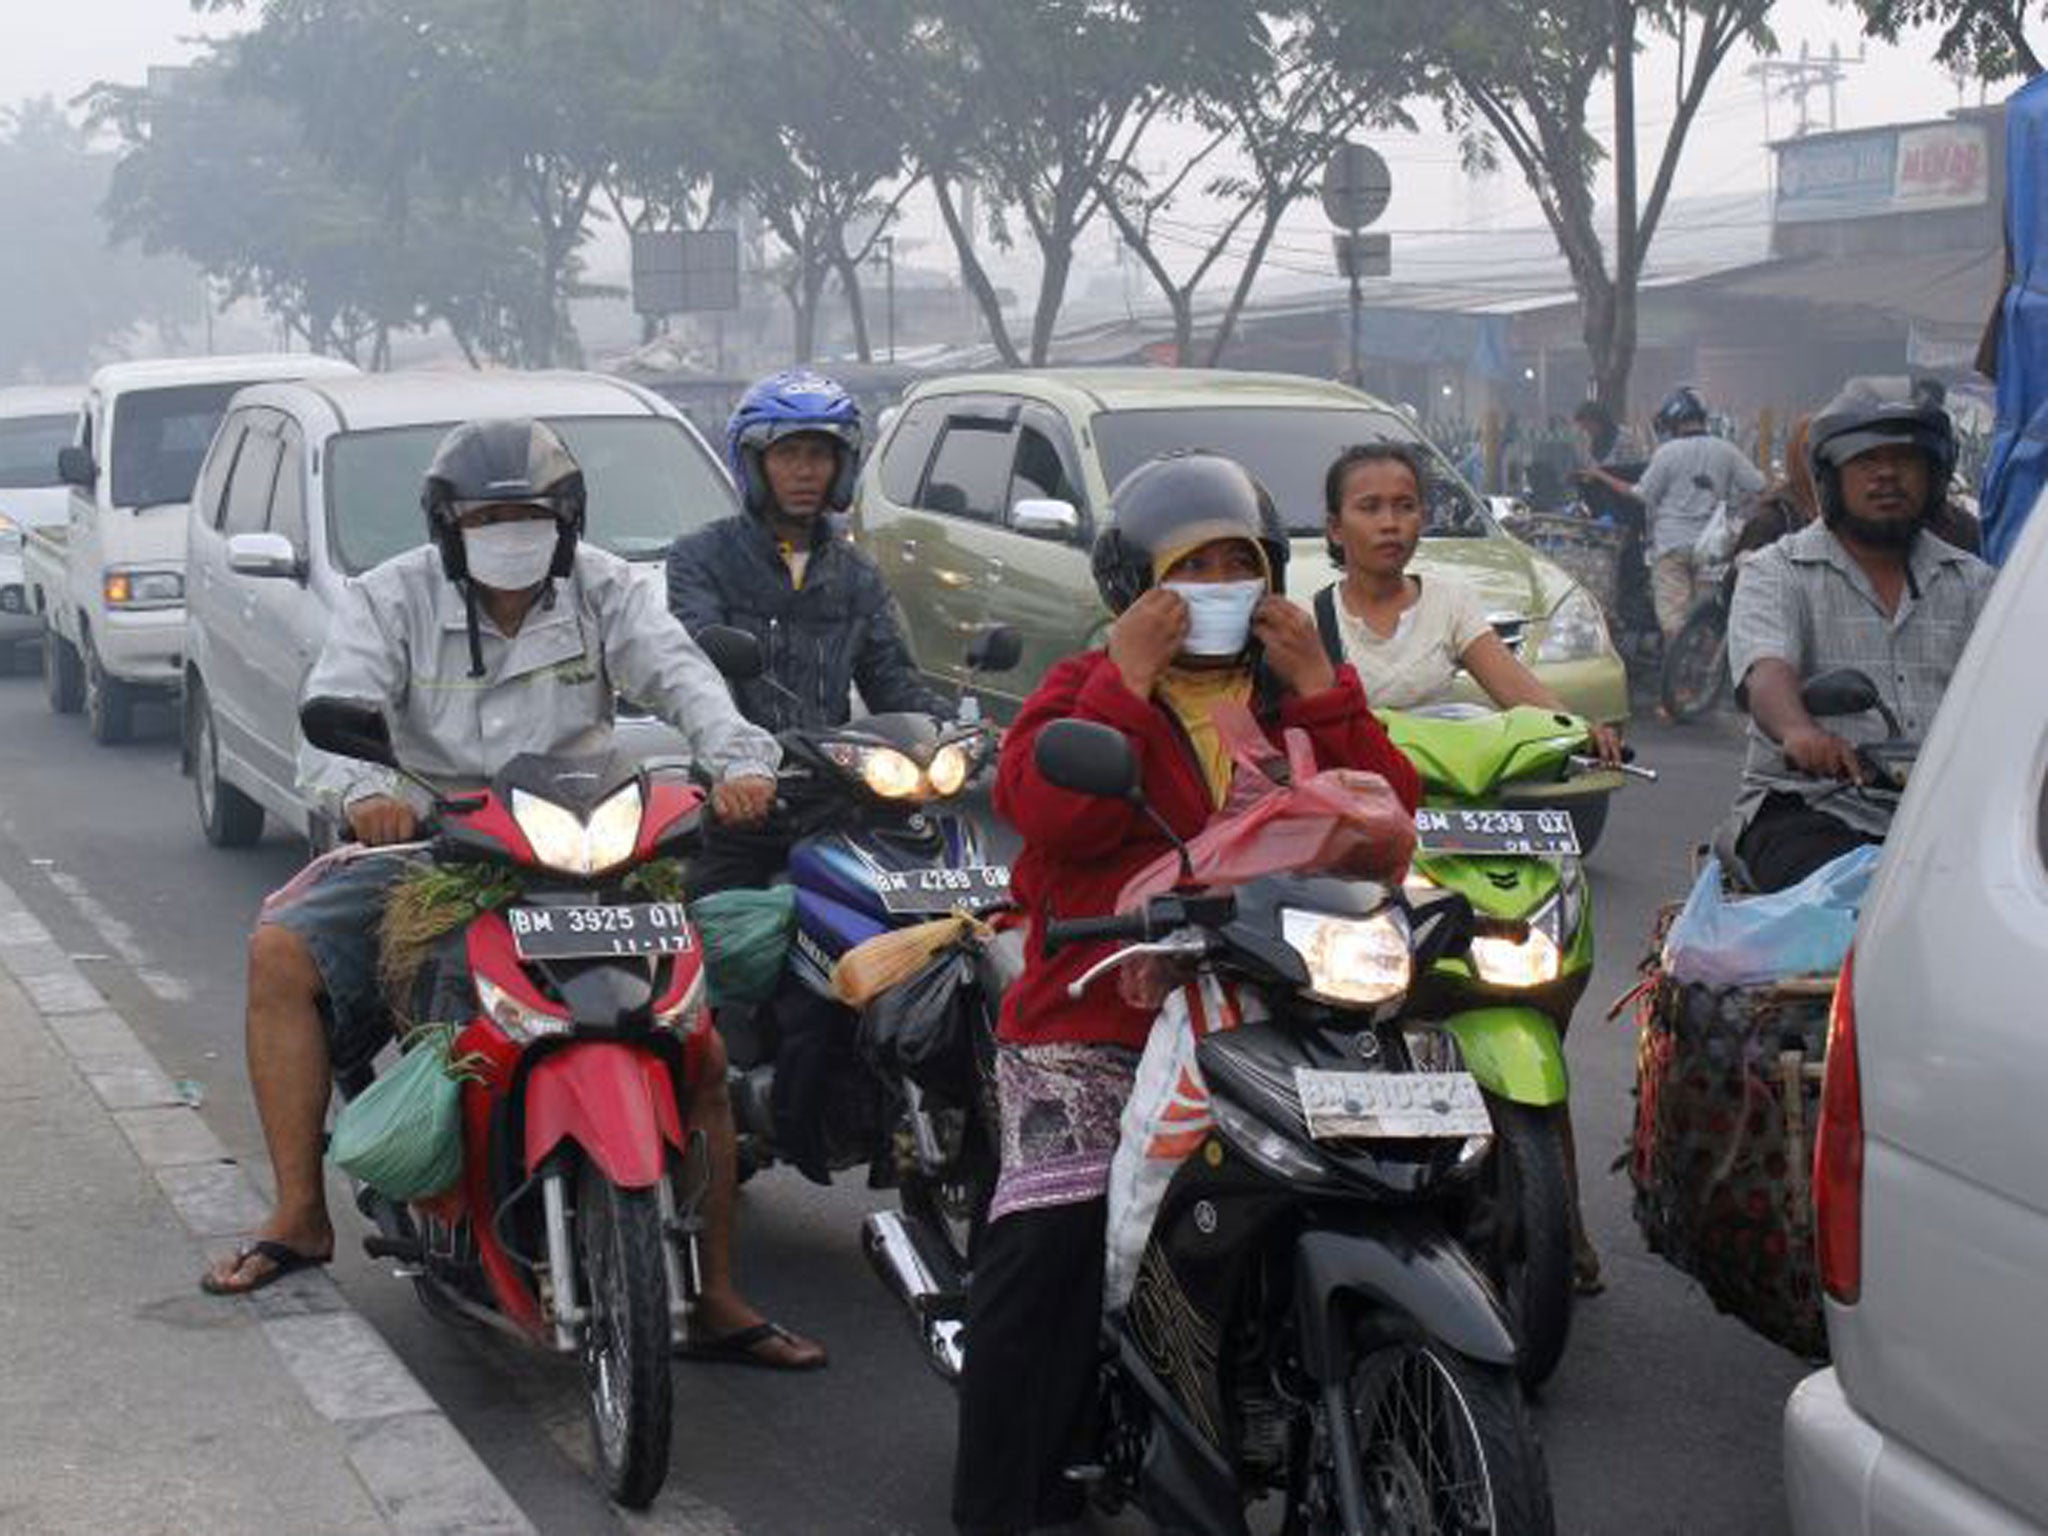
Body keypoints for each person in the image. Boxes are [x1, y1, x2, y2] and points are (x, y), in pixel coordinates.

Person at [199, 419, 826, 1370]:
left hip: (591, 852)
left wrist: (741, 763)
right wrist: (368, 794)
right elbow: (334, 715)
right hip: (432, 852)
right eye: (487, 516)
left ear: (567, 522)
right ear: (447, 525)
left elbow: (685, 678)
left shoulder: (606, 588)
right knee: (279, 950)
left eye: (530, 515)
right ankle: (297, 1215)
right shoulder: (388, 597)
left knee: (692, 1042)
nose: (510, 532)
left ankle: (719, 1292)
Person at [951, 451, 1420, 1536]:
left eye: (1236, 563)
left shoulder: (1287, 691)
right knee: (1051, 1237)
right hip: (1099, 1007)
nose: (1216, 585)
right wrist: (1122, 676)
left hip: (1282, 998)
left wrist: (1320, 690)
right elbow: (1049, 814)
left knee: (1408, 1162)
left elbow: (1386, 822)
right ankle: (1006, 1504)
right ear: (1138, 585)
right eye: (1189, 566)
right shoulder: (1081, 689)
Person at [1726, 379, 1995, 893]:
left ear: (1934, 475)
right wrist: (1800, 732)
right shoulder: (1776, 571)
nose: (1888, 475)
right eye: (1866, 460)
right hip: (1811, 810)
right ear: (1831, 477)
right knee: (1859, 896)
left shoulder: (1975, 583)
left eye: (1905, 460)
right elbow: (1767, 672)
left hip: (1946, 820)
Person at [667, 369, 948, 735]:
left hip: (831, 770)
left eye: (818, 455)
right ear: (754, 465)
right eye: (787, 454)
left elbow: (892, 686)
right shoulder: (701, 558)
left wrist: (962, 727)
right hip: (733, 771)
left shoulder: (857, 573)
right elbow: (693, 674)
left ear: (840, 467)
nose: (804, 472)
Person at [1313, 441, 1625, 765]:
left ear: (1422, 517)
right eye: (1370, 507)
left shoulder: (1448, 600)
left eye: (1405, 506)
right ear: (1336, 529)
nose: (1390, 523)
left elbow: (1514, 687)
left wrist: (1577, 730)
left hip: (1439, 793)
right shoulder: (1314, 620)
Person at [1590, 386, 1765, 645]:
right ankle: (1707, 676)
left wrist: (1601, 475)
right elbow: (1759, 487)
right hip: (1712, 551)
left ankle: (1681, 681)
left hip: (1671, 549)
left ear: (1673, 420)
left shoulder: (1666, 453)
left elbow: (1640, 494)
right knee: (1707, 621)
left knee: (1675, 623)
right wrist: (1735, 512)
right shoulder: (1726, 450)